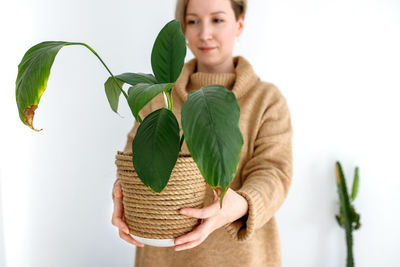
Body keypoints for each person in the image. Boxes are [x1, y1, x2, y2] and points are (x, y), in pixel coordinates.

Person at [111, 0, 293, 266]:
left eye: (217, 20)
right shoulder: (159, 97)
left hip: (240, 258)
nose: (204, 33)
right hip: (164, 257)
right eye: (193, 21)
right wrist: (121, 192)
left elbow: (274, 172)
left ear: (239, 24)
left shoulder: (266, 99)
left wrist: (239, 205)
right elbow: (132, 160)